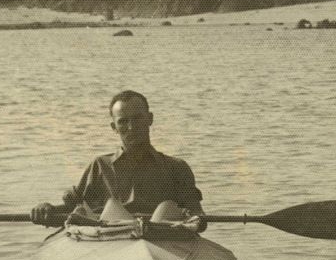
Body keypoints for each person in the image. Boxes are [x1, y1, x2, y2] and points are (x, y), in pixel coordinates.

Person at [31, 90, 206, 232]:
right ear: (114, 127)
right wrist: (47, 209)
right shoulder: (100, 166)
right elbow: (70, 210)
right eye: (123, 122)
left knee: (166, 208)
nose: (131, 127)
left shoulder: (176, 167)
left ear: (150, 119)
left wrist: (197, 219)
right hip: (113, 239)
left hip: (163, 237)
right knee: (111, 206)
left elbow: (197, 214)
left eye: (138, 119)